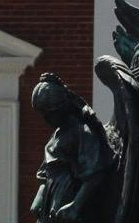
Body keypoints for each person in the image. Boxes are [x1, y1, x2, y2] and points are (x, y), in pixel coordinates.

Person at [28, 72, 113, 222]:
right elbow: (46, 172)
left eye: (49, 114)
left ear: (62, 107)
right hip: (52, 197)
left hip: (70, 196)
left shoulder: (82, 130)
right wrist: (40, 195)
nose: (46, 119)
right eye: (43, 114)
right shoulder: (57, 135)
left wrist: (76, 205)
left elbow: (95, 173)